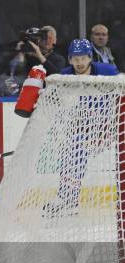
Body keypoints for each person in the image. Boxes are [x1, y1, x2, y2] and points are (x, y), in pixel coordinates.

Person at [43, 39, 119, 217]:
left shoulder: (107, 71)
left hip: (112, 126)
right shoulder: (65, 75)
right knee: (72, 151)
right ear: (69, 59)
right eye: (75, 58)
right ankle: (68, 199)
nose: (79, 62)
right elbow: (56, 99)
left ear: (90, 58)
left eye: (83, 58)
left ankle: (68, 199)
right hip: (84, 128)